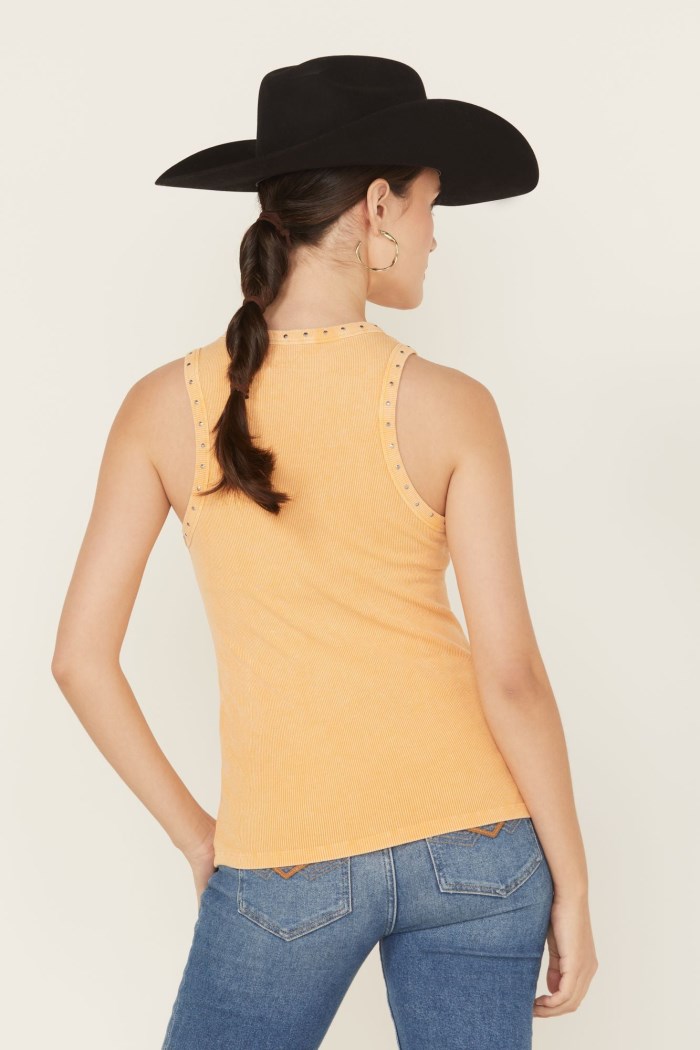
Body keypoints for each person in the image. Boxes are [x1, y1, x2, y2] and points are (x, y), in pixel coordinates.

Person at [52, 55, 597, 1049]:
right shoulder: (453, 406)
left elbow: (79, 660)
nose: (436, 235)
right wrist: (574, 884)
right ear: (378, 207)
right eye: (431, 204)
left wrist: (199, 838)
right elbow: (511, 675)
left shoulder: (161, 407)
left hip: (284, 859)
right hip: (478, 849)